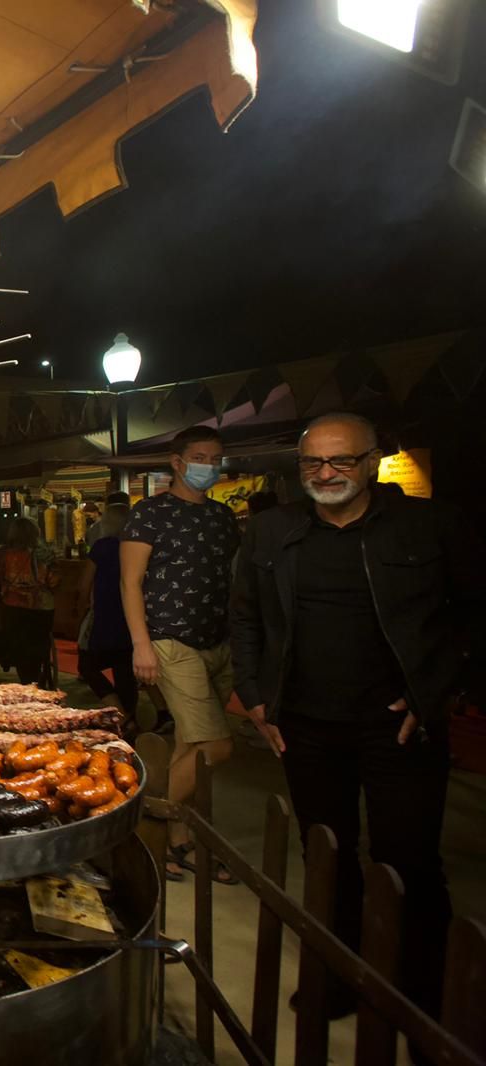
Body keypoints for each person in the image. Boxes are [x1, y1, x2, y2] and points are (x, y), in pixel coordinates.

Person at [232, 413, 484, 1027]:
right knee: (326, 855)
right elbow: (245, 618)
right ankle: (337, 978)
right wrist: (256, 694)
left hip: (399, 726)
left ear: (372, 462)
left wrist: (435, 690)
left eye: (341, 461)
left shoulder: (429, 526)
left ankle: (427, 1000)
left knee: (409, 860)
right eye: (313, 463)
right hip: (306, 725)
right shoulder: (271, 532)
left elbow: (471, 616)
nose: (325, 473)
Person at [121, 425, 240, 883]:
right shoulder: (149, 514)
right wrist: (141, 644)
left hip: (217, 641)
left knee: (191, 744)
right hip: (170, 639)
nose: (209, 465)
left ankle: (176, 843)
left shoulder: (223, 517)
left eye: (216, 457)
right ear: (177, 461)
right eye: (200, 457)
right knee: (217, 743)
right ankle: (155, 820)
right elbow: (130, 582)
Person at [76, 500, 139, 716]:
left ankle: (118, 711)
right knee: (125, 669)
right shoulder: (137, 547)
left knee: (88, 665)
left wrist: (81, 606)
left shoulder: (102, 547)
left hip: (105, 612)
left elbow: (84, 583)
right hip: (132, 614)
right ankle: (129, 716)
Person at [0, 518, 57, 685]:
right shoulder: (46, 554)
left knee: (18, 641)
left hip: (14, 607)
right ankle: (38, 668)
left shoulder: (3, 554)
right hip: (43, 608)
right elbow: (54, 581)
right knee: (39, 640)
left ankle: (27, 676)